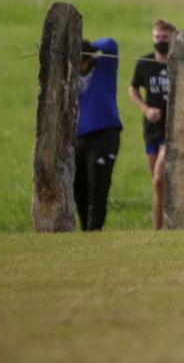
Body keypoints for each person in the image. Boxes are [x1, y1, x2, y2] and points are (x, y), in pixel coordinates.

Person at [128, 18, 184, 230]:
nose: (160, 41)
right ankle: (161, 228)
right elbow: (132, 89)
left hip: (172, 133)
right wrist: (145, 110)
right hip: (151, 131)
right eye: (157, 37)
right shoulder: (145, 63)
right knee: (159, 185)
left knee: (158, 179)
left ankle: (161, 227)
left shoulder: (181, 64)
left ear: (172, 39)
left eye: (164, 37)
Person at [75, 37, 122, 231]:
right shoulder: (70, 76)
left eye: (81, 60)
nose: (79, 66)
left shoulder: (104, 67)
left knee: (98, 185)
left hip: (105, 134)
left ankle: (94, 229)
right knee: (77, 185)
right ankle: (85, 226)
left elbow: (111, 44)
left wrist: (90, 47)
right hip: (79, 137)